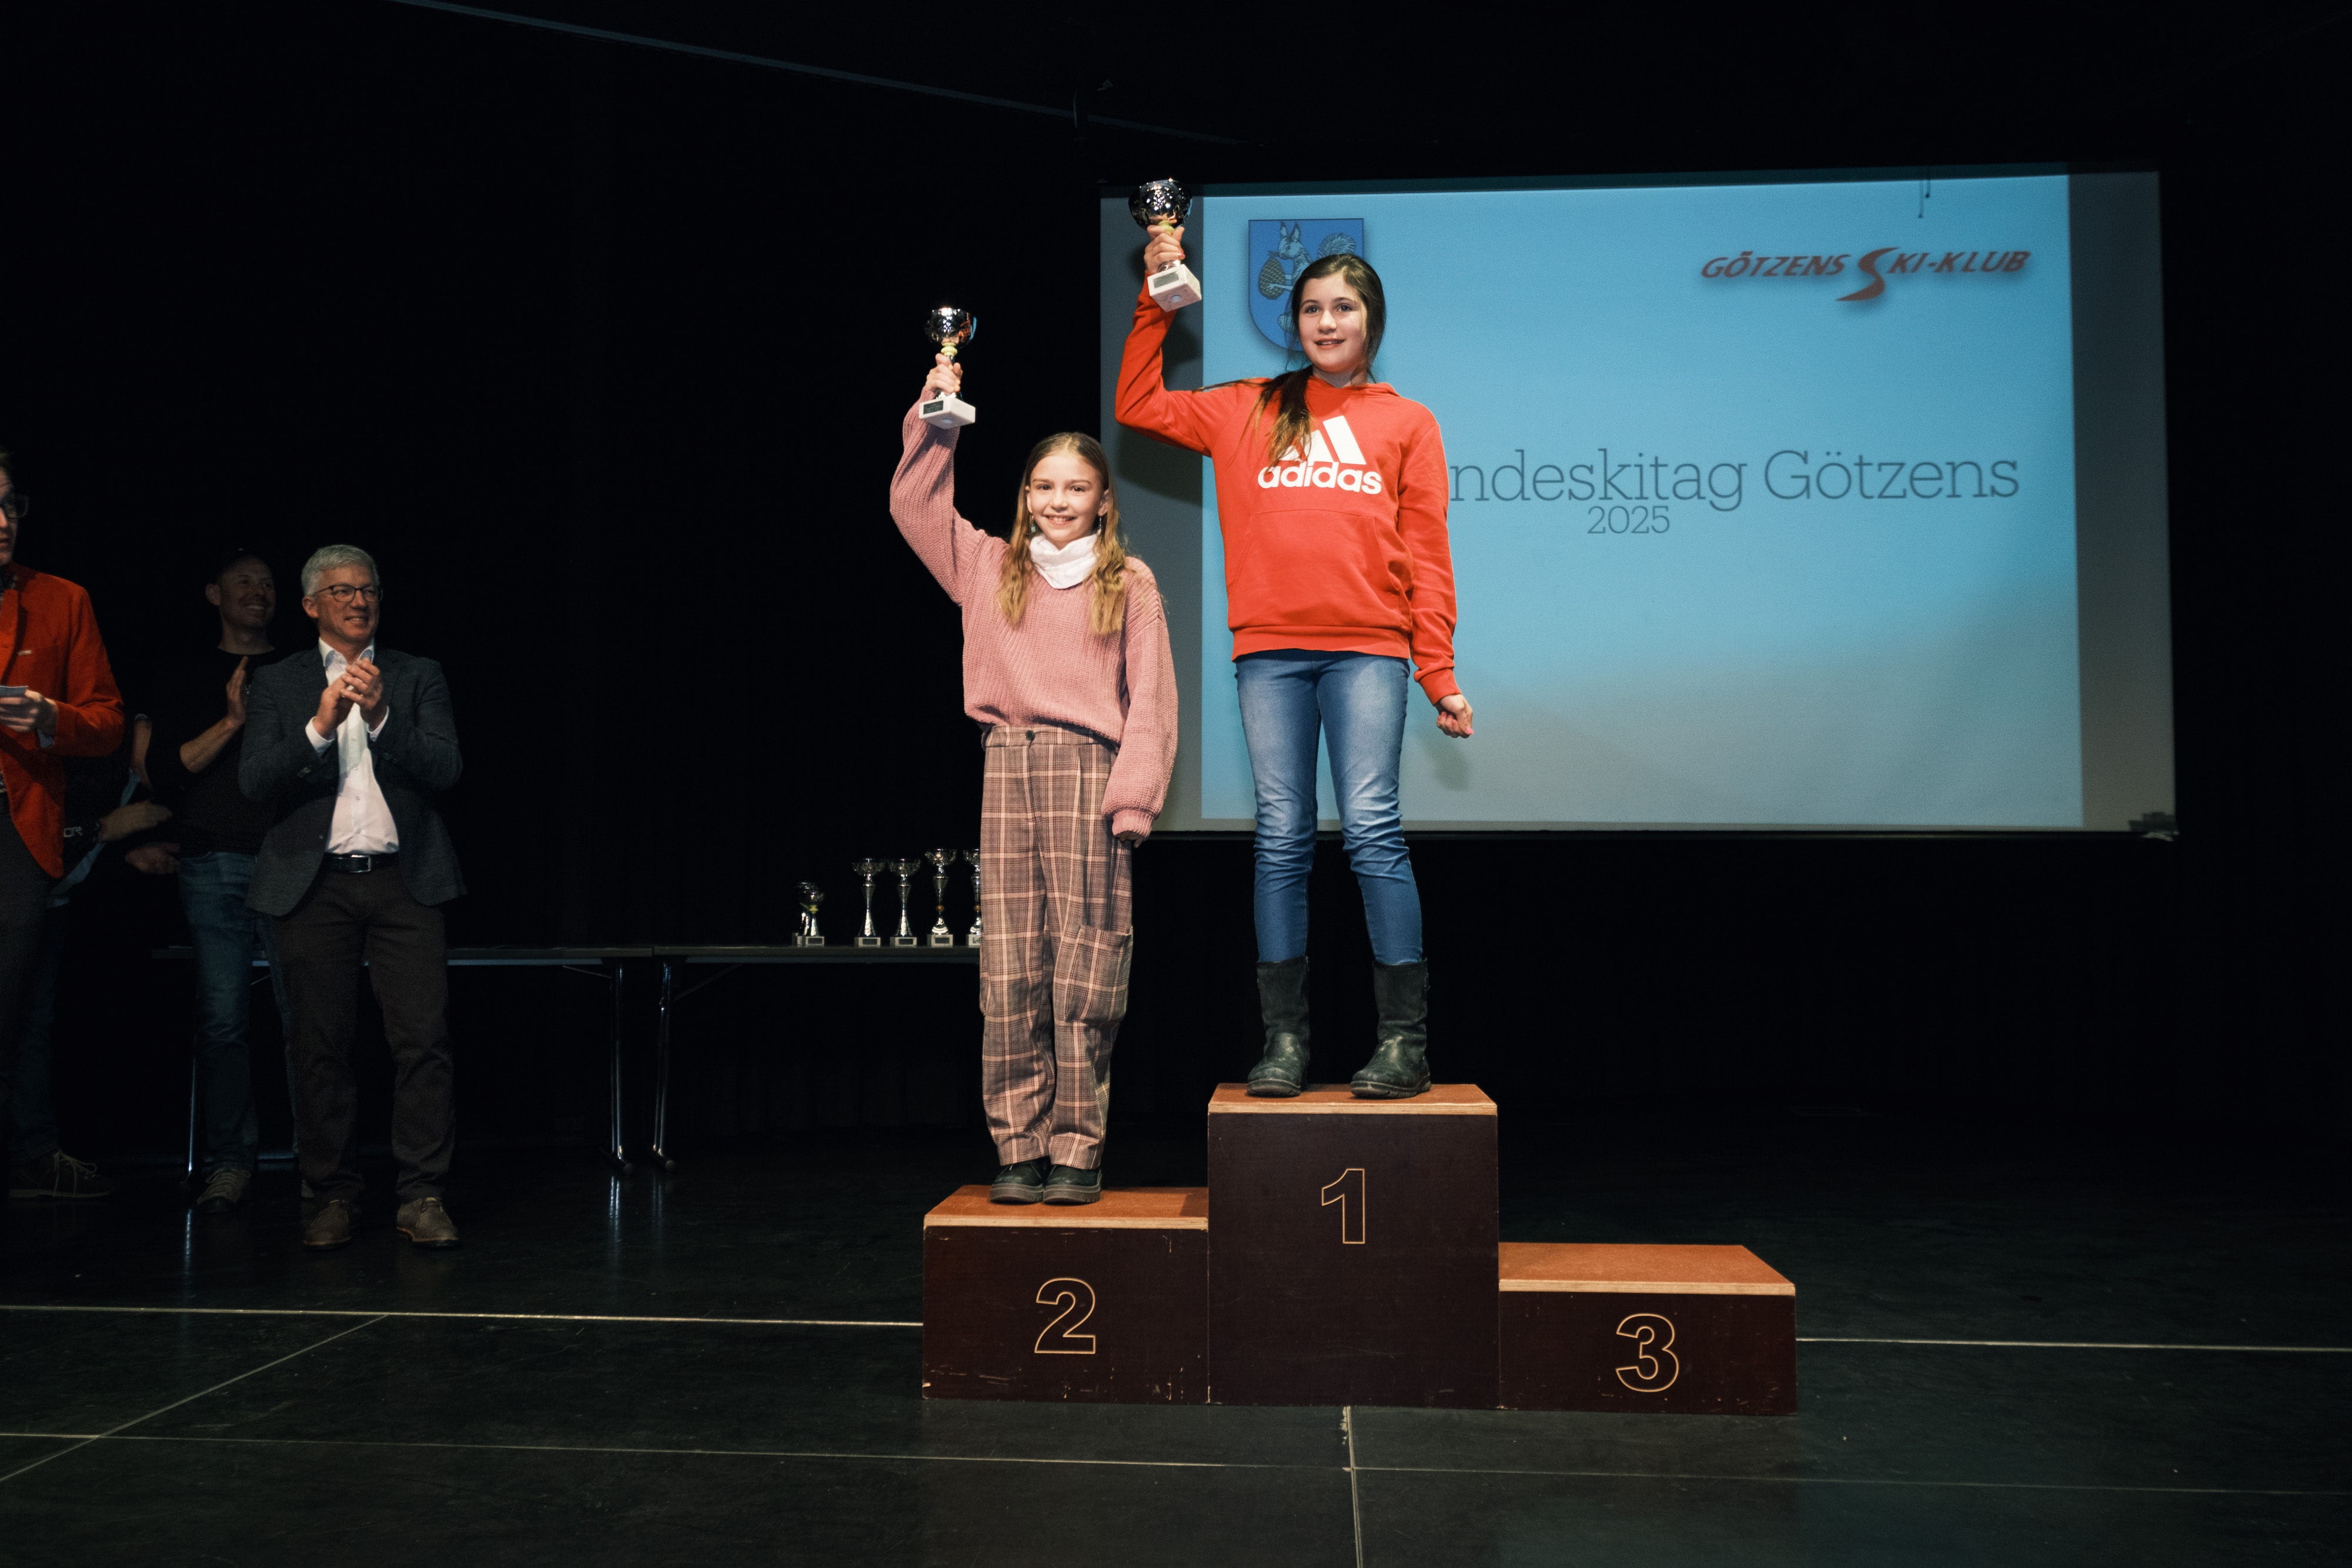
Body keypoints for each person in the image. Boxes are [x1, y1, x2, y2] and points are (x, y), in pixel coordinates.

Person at [1115, 233, 1472, 1100]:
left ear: (1372, 321)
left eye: (1343, 307)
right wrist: (1156, 300)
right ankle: (1284, 1042)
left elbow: (1428, 557)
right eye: (1312, 308)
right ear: (1295, 323)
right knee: (1280, 837)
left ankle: (1404, 1043)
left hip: (1370, 650)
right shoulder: (1246, 407)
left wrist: (1439, 673)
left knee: (1373, 830)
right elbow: (1137, 403)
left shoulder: (1408, 422)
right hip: (1269, 652)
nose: (1326, 321)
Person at [890, 357, 1177, 1205]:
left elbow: (1152, 696)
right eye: (1044, 486)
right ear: (1024, 496)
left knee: (1085, 970)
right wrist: (937, 415)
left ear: (1103, 501)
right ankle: (1019, 1147)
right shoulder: (987, 565)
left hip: (1089, 772)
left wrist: (1135, 798)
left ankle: (1077, 1149)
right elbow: (914, 508)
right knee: (1010, 969)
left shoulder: (1129, 581)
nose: (1058, 500)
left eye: (1076, 488)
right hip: (1007, 765)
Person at [239, 545, 465, 1250]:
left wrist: (384, 718)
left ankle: (422, 1194)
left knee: (422, 1041)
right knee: (319, 1046)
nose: (359, 601)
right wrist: (319, 727)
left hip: (405, 882)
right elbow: (254, 781)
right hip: (314, 886)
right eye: (341, 591)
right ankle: (332, 1194)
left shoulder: (415, 673)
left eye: (367, 589)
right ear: (311, 605)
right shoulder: (279, 681)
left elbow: (447, 767)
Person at [143, 550, 297, 1213]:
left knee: (308, 1019)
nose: (258, 591)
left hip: (290, 858)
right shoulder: (185, 673)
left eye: (267, 583)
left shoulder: (298, 669)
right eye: (244, 582)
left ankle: (323, 1168)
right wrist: (233, 719)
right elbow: (165, 771)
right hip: (213, 862)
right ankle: (232, 1162)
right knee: (224, 1020)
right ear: (214, 594)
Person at [0, 455, 128, 1194]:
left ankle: (23, 1157)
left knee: (12, 1012)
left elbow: (107, 722)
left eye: (10, 504)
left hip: (16, 829)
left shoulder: (60, 599)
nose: (2, 521)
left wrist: (52, 719)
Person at [8, 737, 175, 1199]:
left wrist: (125, 852)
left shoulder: (138, 782)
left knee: (35, 1028)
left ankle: (32, 1157)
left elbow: (83, 861)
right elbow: (41, 830)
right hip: (20, 897)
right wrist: (104, 829)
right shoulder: (87, 763)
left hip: (50, 901)